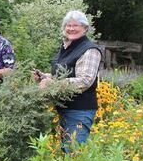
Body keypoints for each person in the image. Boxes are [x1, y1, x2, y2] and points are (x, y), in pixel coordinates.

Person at [35, 10, 102, 150]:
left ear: (85, 28)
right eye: (68, 25)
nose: (71, 28)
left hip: (79, 111)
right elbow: (63, 75)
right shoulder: (67, 47)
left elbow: (85, 81)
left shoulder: (90, 50)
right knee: (66, 152)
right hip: (65, 109)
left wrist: (52, 84)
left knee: (73, 153)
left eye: (75, 25)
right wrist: (45, 77)